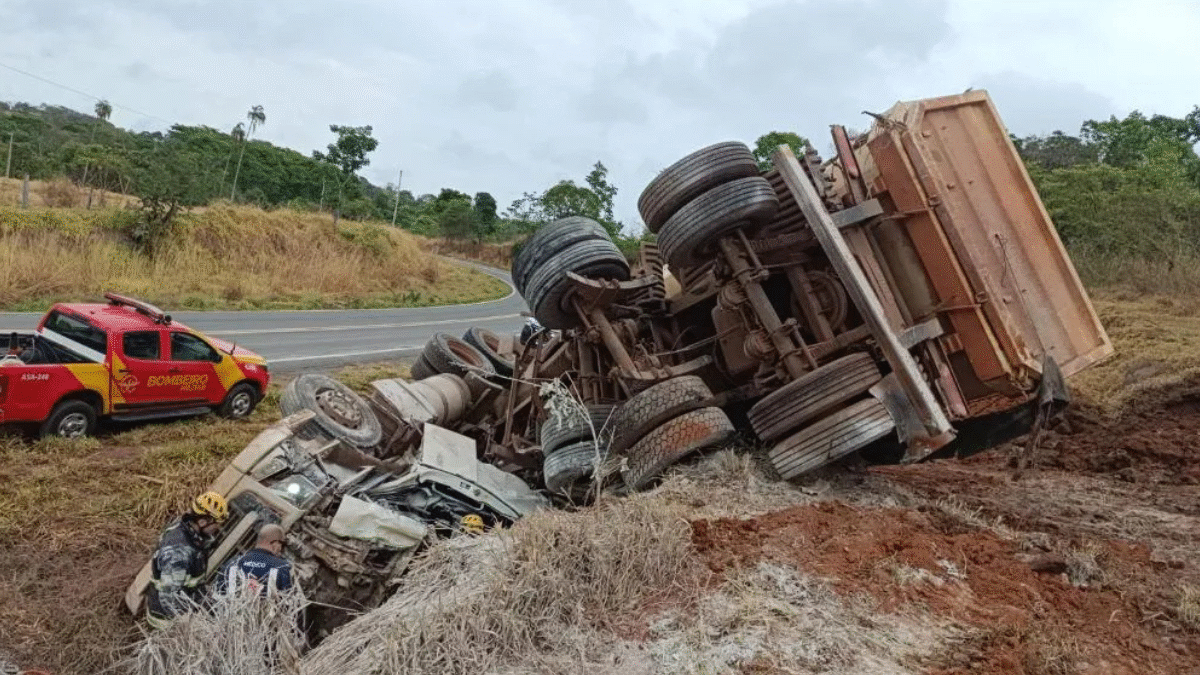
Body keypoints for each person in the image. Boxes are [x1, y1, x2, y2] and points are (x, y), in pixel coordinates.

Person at [145, 491, 229, 629]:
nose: (218, 528)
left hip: (182, 607)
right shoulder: (178, 552)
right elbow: (169, 598)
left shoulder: (188, 532)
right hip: (166, 623)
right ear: (202, 522)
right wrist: (189, 624)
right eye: (217, 524)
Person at [220, 523, 293, 596]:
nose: (281, 549)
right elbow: (289, 598)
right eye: (282, 544)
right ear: (275, 542)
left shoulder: (233, 563)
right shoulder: (282, 567)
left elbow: (218, 593)